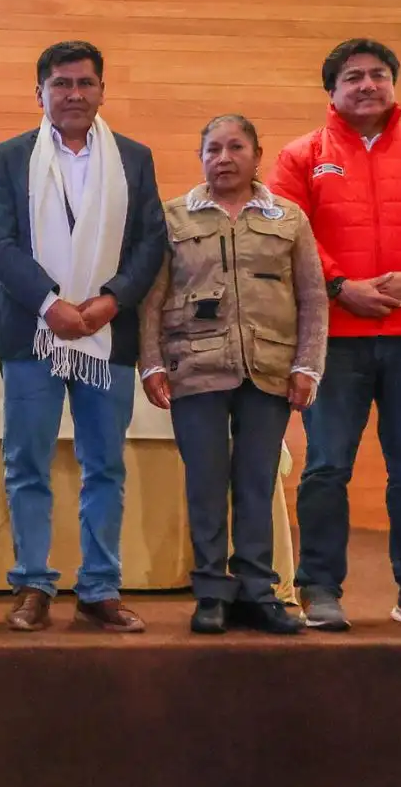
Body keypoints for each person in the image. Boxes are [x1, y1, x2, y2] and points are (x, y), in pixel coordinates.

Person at [268, 38, 401, 633]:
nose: (367, 84)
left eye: (378, 75)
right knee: (326, 467)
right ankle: (318, 588)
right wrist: (341, 287)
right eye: (352, 77)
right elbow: (288, 230)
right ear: (331, 91)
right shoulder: (301, 156)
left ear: (393, 84)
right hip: (333, 336)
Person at [0, 40, 167, 633]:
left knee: (105, 466)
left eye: (85, 83)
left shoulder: (133, 159)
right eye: (60, 84)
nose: (73, 94)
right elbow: (1, 242)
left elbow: (149, 244)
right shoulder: (11, 157)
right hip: (31, 333)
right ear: (39, 92)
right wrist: (50, 305)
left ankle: (99, 588)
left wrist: (108, 302)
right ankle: (33, 584)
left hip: (107, 337)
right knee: (27, 465)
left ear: (102, 91)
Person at [139, 115, 327, 635]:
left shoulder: (288, 218)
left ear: (256, 154)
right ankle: (210, 593)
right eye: (213, 149)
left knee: (255, 482)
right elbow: (152, 298)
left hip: (267, 370)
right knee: (204, 484)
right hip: (193, 369)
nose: (223, 158)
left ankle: (256, 591)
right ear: (201, 158)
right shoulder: (173, 217)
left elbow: (312, 297)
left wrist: (307, 364)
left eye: (235, 147)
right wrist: (151, 362)